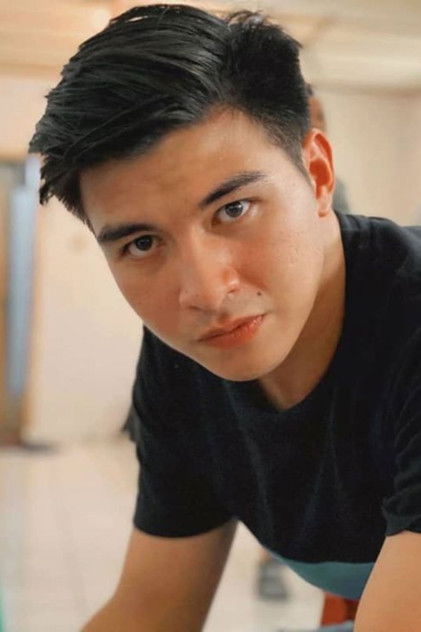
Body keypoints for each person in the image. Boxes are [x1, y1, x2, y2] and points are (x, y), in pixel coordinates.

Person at [28, 5, 421, 632]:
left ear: (318, 175)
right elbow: (154, 607)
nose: (207, 293)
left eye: (234, 209)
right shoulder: (186, 360)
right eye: (143, 244)